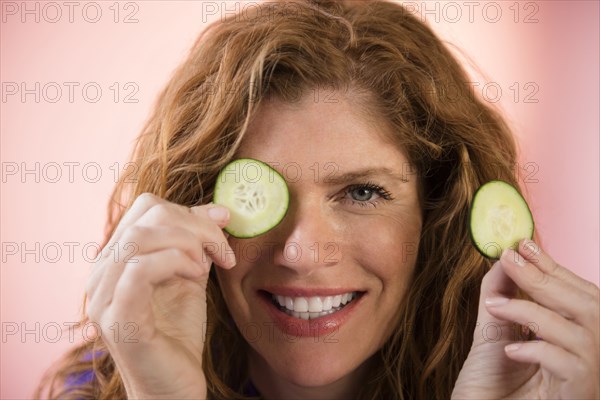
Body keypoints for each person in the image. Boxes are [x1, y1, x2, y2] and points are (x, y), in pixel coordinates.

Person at [35, 0, 599, 399]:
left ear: (440, 211)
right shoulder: (102, 391)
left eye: (361, 192)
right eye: (260, 193)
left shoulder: (543, 386)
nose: (300, 254)